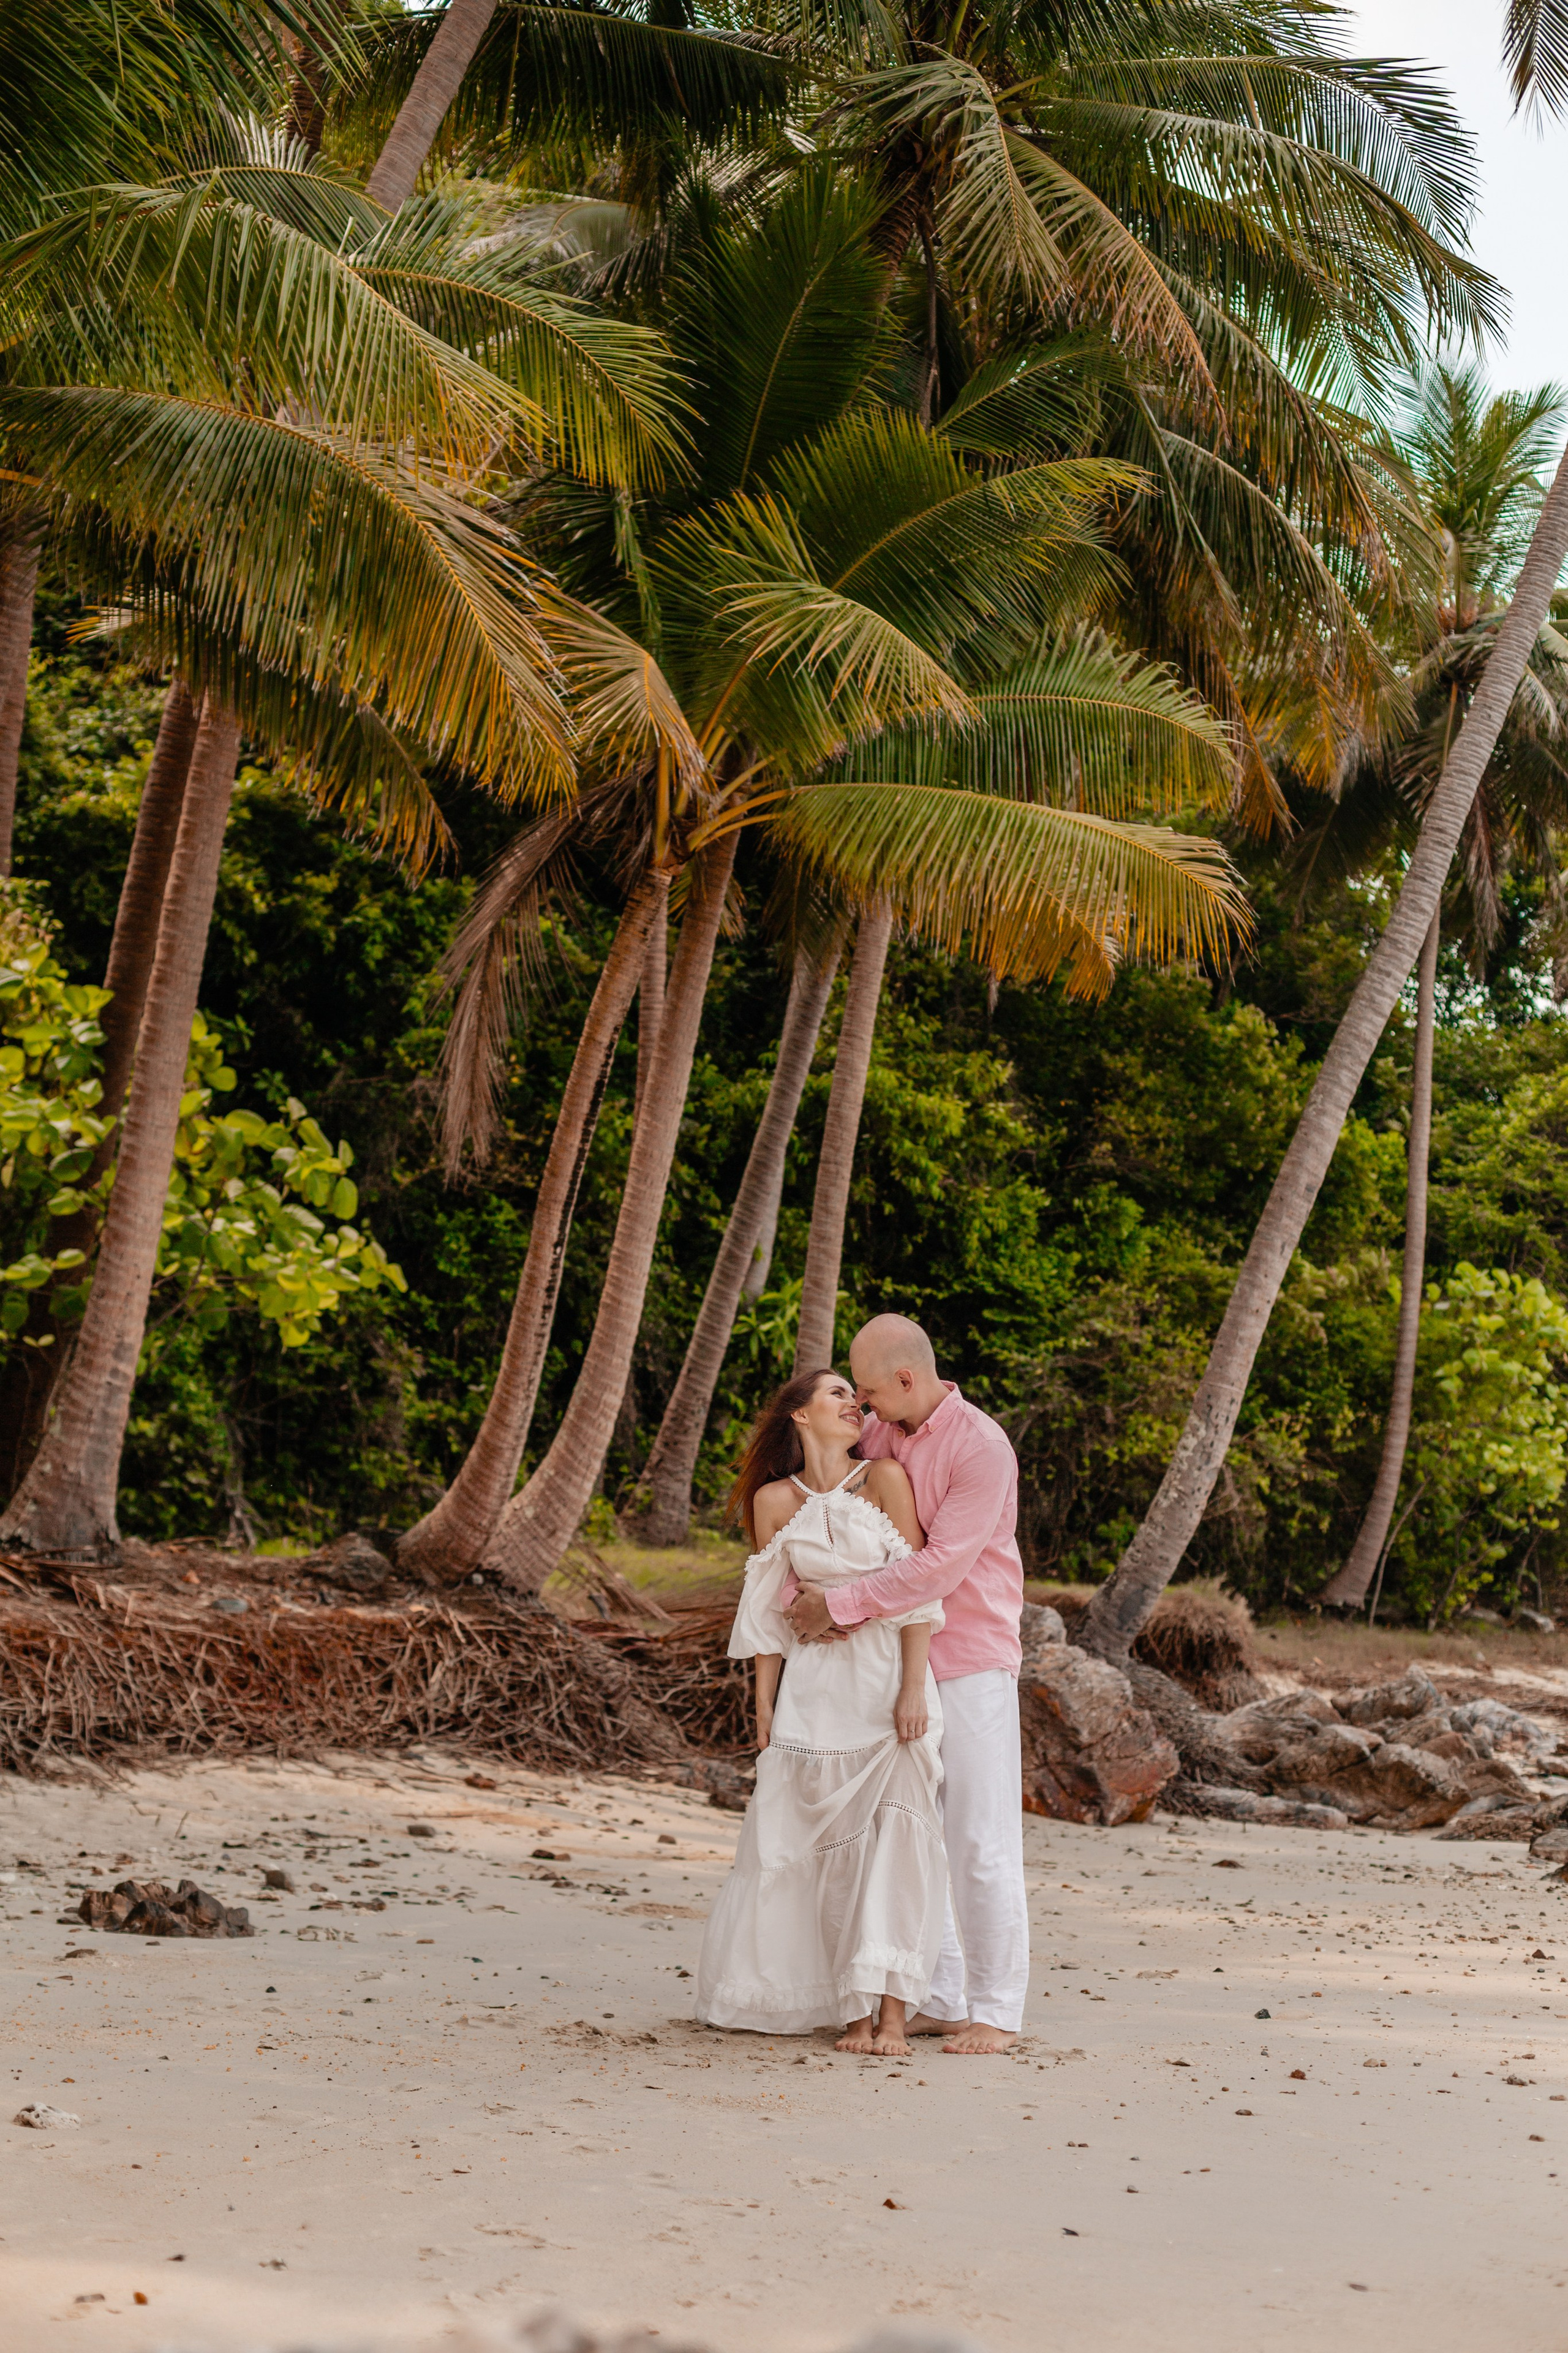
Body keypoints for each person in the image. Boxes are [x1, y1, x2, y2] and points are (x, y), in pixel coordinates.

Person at [785, 1313, 1028, 2055]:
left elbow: (941, 1565)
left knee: (980, 1837)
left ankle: (996, 2008)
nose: (859, 1404)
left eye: (865, 1389)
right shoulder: (884, 1435)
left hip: (974, 1659)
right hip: (893, 1665)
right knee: (916, 1834)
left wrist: (838, 1603)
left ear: (905, 1378)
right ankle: (945, 1995)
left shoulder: (981, 1446)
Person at [695, 1366, 947, 2055]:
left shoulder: (886, 1479)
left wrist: (913, 1689)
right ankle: (849, 2011)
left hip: (883, 1683)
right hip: (814, 1690)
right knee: (805, 1845)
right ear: (799, 1415)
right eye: (836, 1393)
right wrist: (763, 1705)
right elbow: (768, 1613)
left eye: (854, 1395)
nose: (853, 1403)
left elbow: (918, 1591)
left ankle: (892, 2014)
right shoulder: (775, 1500)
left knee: (893, 1843)